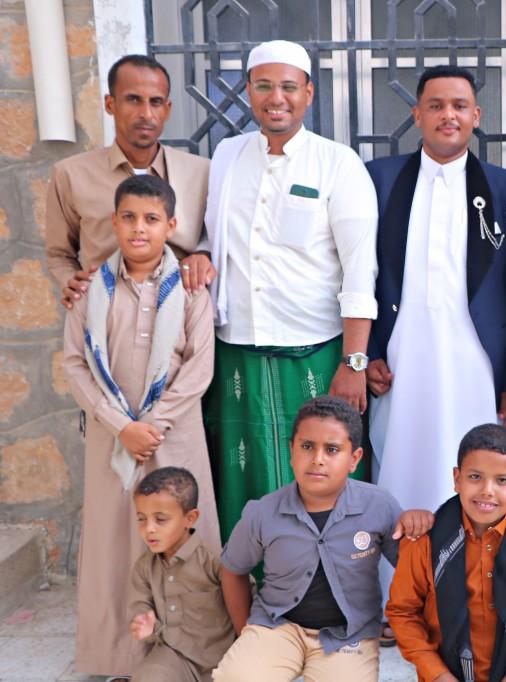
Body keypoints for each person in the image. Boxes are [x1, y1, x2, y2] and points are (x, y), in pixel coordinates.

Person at [204, 40, 379, 540]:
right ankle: (251, 576)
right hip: (237, 350)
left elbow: (359, 269)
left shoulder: (337, 163)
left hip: (314, 352)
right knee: (242, 474)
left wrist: (354, 362)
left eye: (287, 87)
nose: (275, 98)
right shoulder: (227, 155)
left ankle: (330, 580)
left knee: (322, 472)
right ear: (248, 91)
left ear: (308, 93)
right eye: (263, 86)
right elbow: (210, 235)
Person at [62, 175, 219, 676]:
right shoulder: (91, 290)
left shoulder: (190, 290)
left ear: (171, 226)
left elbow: (199, 369)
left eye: (151, 219)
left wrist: (153, 423)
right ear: (113, 222)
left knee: (182, 536)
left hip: (174, 435)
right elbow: (75, 364)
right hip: (113, 438)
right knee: (114, 541)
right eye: (128, 217)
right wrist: (121, 425)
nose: (138, 229)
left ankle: (195, 653)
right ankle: (117, 654)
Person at [365, 64, 506, 513]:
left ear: (476, 115)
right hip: (401, 355)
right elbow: (361, 274)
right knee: (399, 458)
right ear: (417, 114)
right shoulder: (378, 179)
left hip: (475, 359)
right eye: (436, 106)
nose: (448, 115)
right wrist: (370, 352)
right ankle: (400, 557)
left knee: (476, 462)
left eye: (459, 106)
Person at [214, 395, 434, 682]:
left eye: (332, 449)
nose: (317, 459)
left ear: (354, 459)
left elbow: (414, 567)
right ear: (291, 450)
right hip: (277, 627)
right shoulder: (263, 512)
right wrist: (247, 631)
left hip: (349, 635)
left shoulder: (378, 505)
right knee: (237, 676)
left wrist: (419, 526)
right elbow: (233, 569)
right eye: (307, 446)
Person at [386, 424, 506, 682]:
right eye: (475, 477)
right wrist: (437, 674)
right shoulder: (424, 538)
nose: (487, 490)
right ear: (457, 479)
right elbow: (403, 612)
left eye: (502, 480)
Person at [46, 54, 213, 308]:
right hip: (106, 315)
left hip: (182, 314)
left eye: (156, 102)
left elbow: (216, 236)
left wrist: (203, 254)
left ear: (167, 109)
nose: (146, 114)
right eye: (133, 100)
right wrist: (71, 282)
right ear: (110, 104)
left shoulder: (200, 172)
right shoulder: (71, 174)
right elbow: (59, 254)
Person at [129, 467, 235, 682]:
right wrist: (144, 622)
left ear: (190, 518)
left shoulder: (216, 560)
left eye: (160, 519)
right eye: (141, 519)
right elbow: (140, 606)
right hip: (174, 655)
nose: (149, 529)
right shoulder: (144, 567)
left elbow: (247, 603)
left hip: (223, 657)